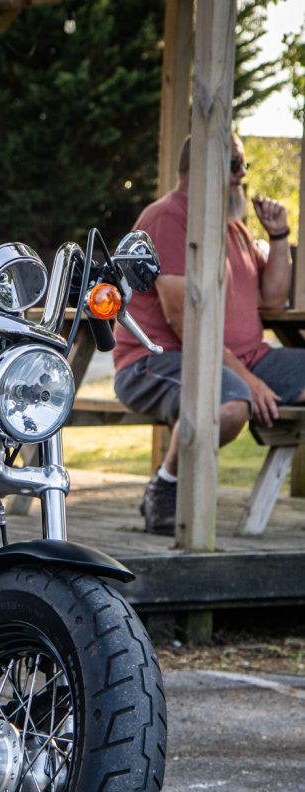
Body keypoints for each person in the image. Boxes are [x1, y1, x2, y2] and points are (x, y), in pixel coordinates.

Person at [113, 133, 302, 535]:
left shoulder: (232, 226)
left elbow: (272, 300)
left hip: (248, 358)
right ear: (200, 165)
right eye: (234, 165)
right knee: (229, 404)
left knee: (235, 392)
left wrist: (279, 236)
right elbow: (185, 321)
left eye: (243, 166)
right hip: (156, 361)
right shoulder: (169, 217)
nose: (242, 175)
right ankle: (164, 489)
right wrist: (248, 382)